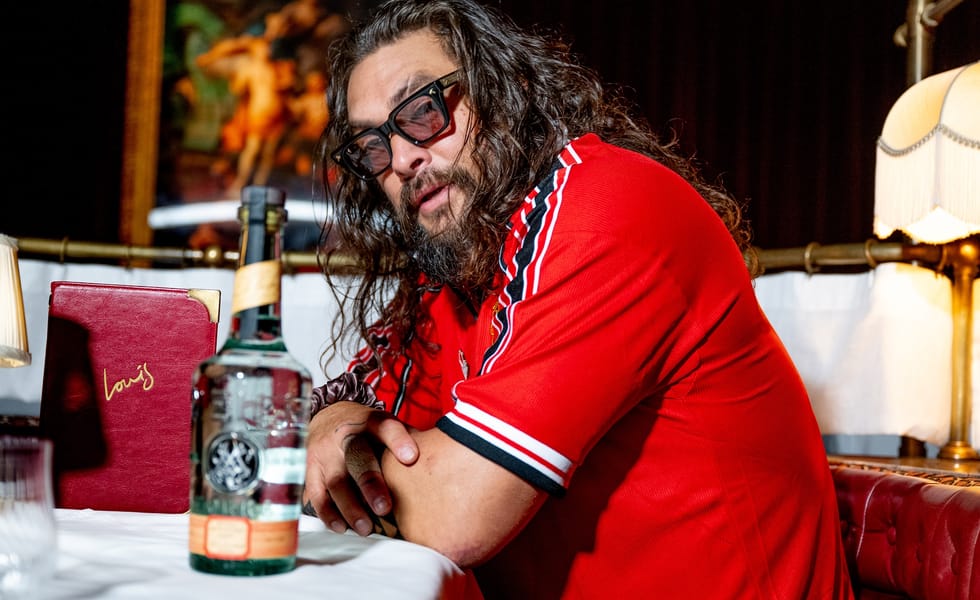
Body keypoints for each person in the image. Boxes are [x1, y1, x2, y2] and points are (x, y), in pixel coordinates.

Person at [303, 1, 854, 598]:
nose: (405, 159)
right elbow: (341, 408)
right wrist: (331, 424)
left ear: (503, 90)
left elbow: (456, 514)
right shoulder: (454, 271)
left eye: (423, 111)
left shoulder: (606, 207)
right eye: (373, 147)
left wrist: (352, 465)